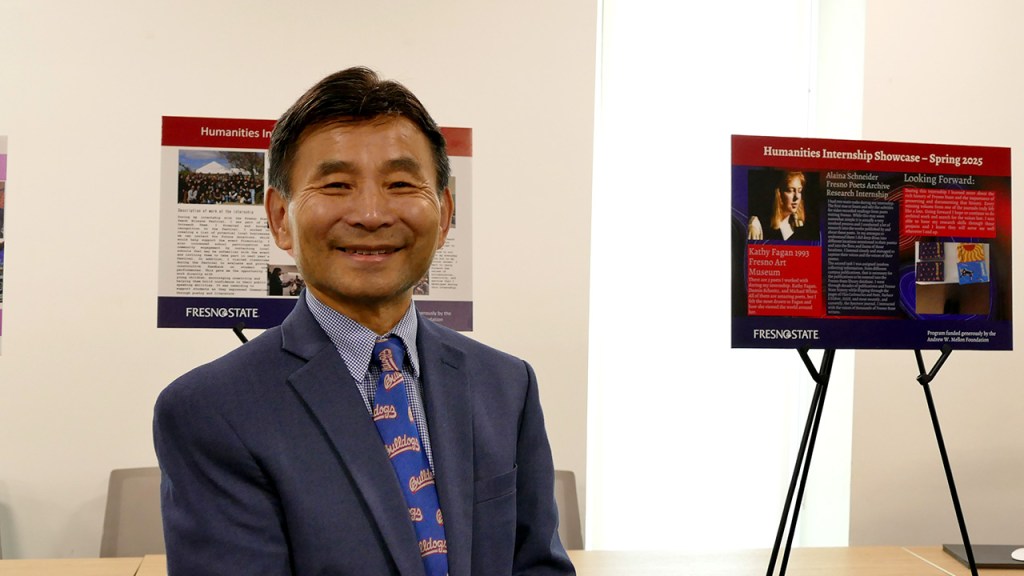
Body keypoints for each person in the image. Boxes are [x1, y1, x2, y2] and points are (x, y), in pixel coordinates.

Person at [153, 67, 574, 576]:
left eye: (400, 183)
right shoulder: (210, 410)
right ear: (280, 218)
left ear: (443, 215)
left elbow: (537, 566)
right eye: (336, 184)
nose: (371, 214)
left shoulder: (507, 386)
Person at [747, 170, 816, 241]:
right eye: (790, 190)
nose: (797, 197)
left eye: (799, 191)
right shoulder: (756, 225)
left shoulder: (799, 226)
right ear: (779, 193)